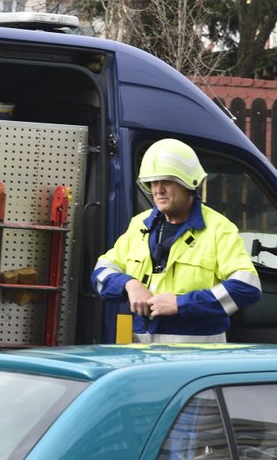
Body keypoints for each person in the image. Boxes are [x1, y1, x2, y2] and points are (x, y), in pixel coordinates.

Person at [91, 138, 261, 343]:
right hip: (138, 357)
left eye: (167, 181)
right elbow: (101, 273)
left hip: (195, 364)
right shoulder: (140, 225)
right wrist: (129, 284)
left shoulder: (218, 228)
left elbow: (247, 287)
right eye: (153, 182)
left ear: (190, 183)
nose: (158, 189)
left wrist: (181, 303)